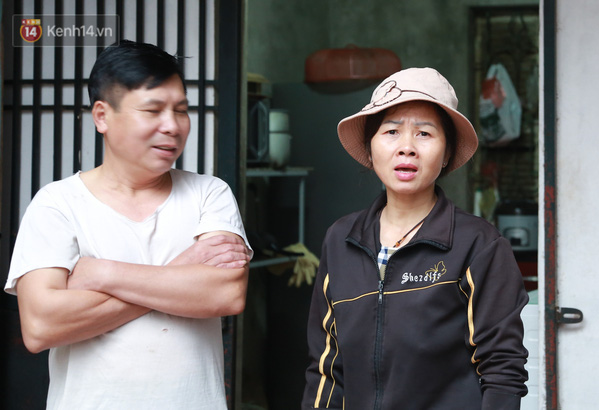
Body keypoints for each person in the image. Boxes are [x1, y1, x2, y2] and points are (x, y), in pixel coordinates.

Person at [4, 40, 252, 409]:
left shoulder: (209, 193)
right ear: (102, 116)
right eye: (152, 110)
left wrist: (101, 273)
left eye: (181, 110)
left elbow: (225, 295)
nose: (172, 126)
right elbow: (41, 327)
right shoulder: (57, 204)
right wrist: (180, 272)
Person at [302, 67, 529, 409]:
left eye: (424, 133)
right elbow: (326, 367)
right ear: (370, 148)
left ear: (447, 152)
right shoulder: (341, 240)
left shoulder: (478, 245)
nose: (406, 148)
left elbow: (503, 369)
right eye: (391, 131)